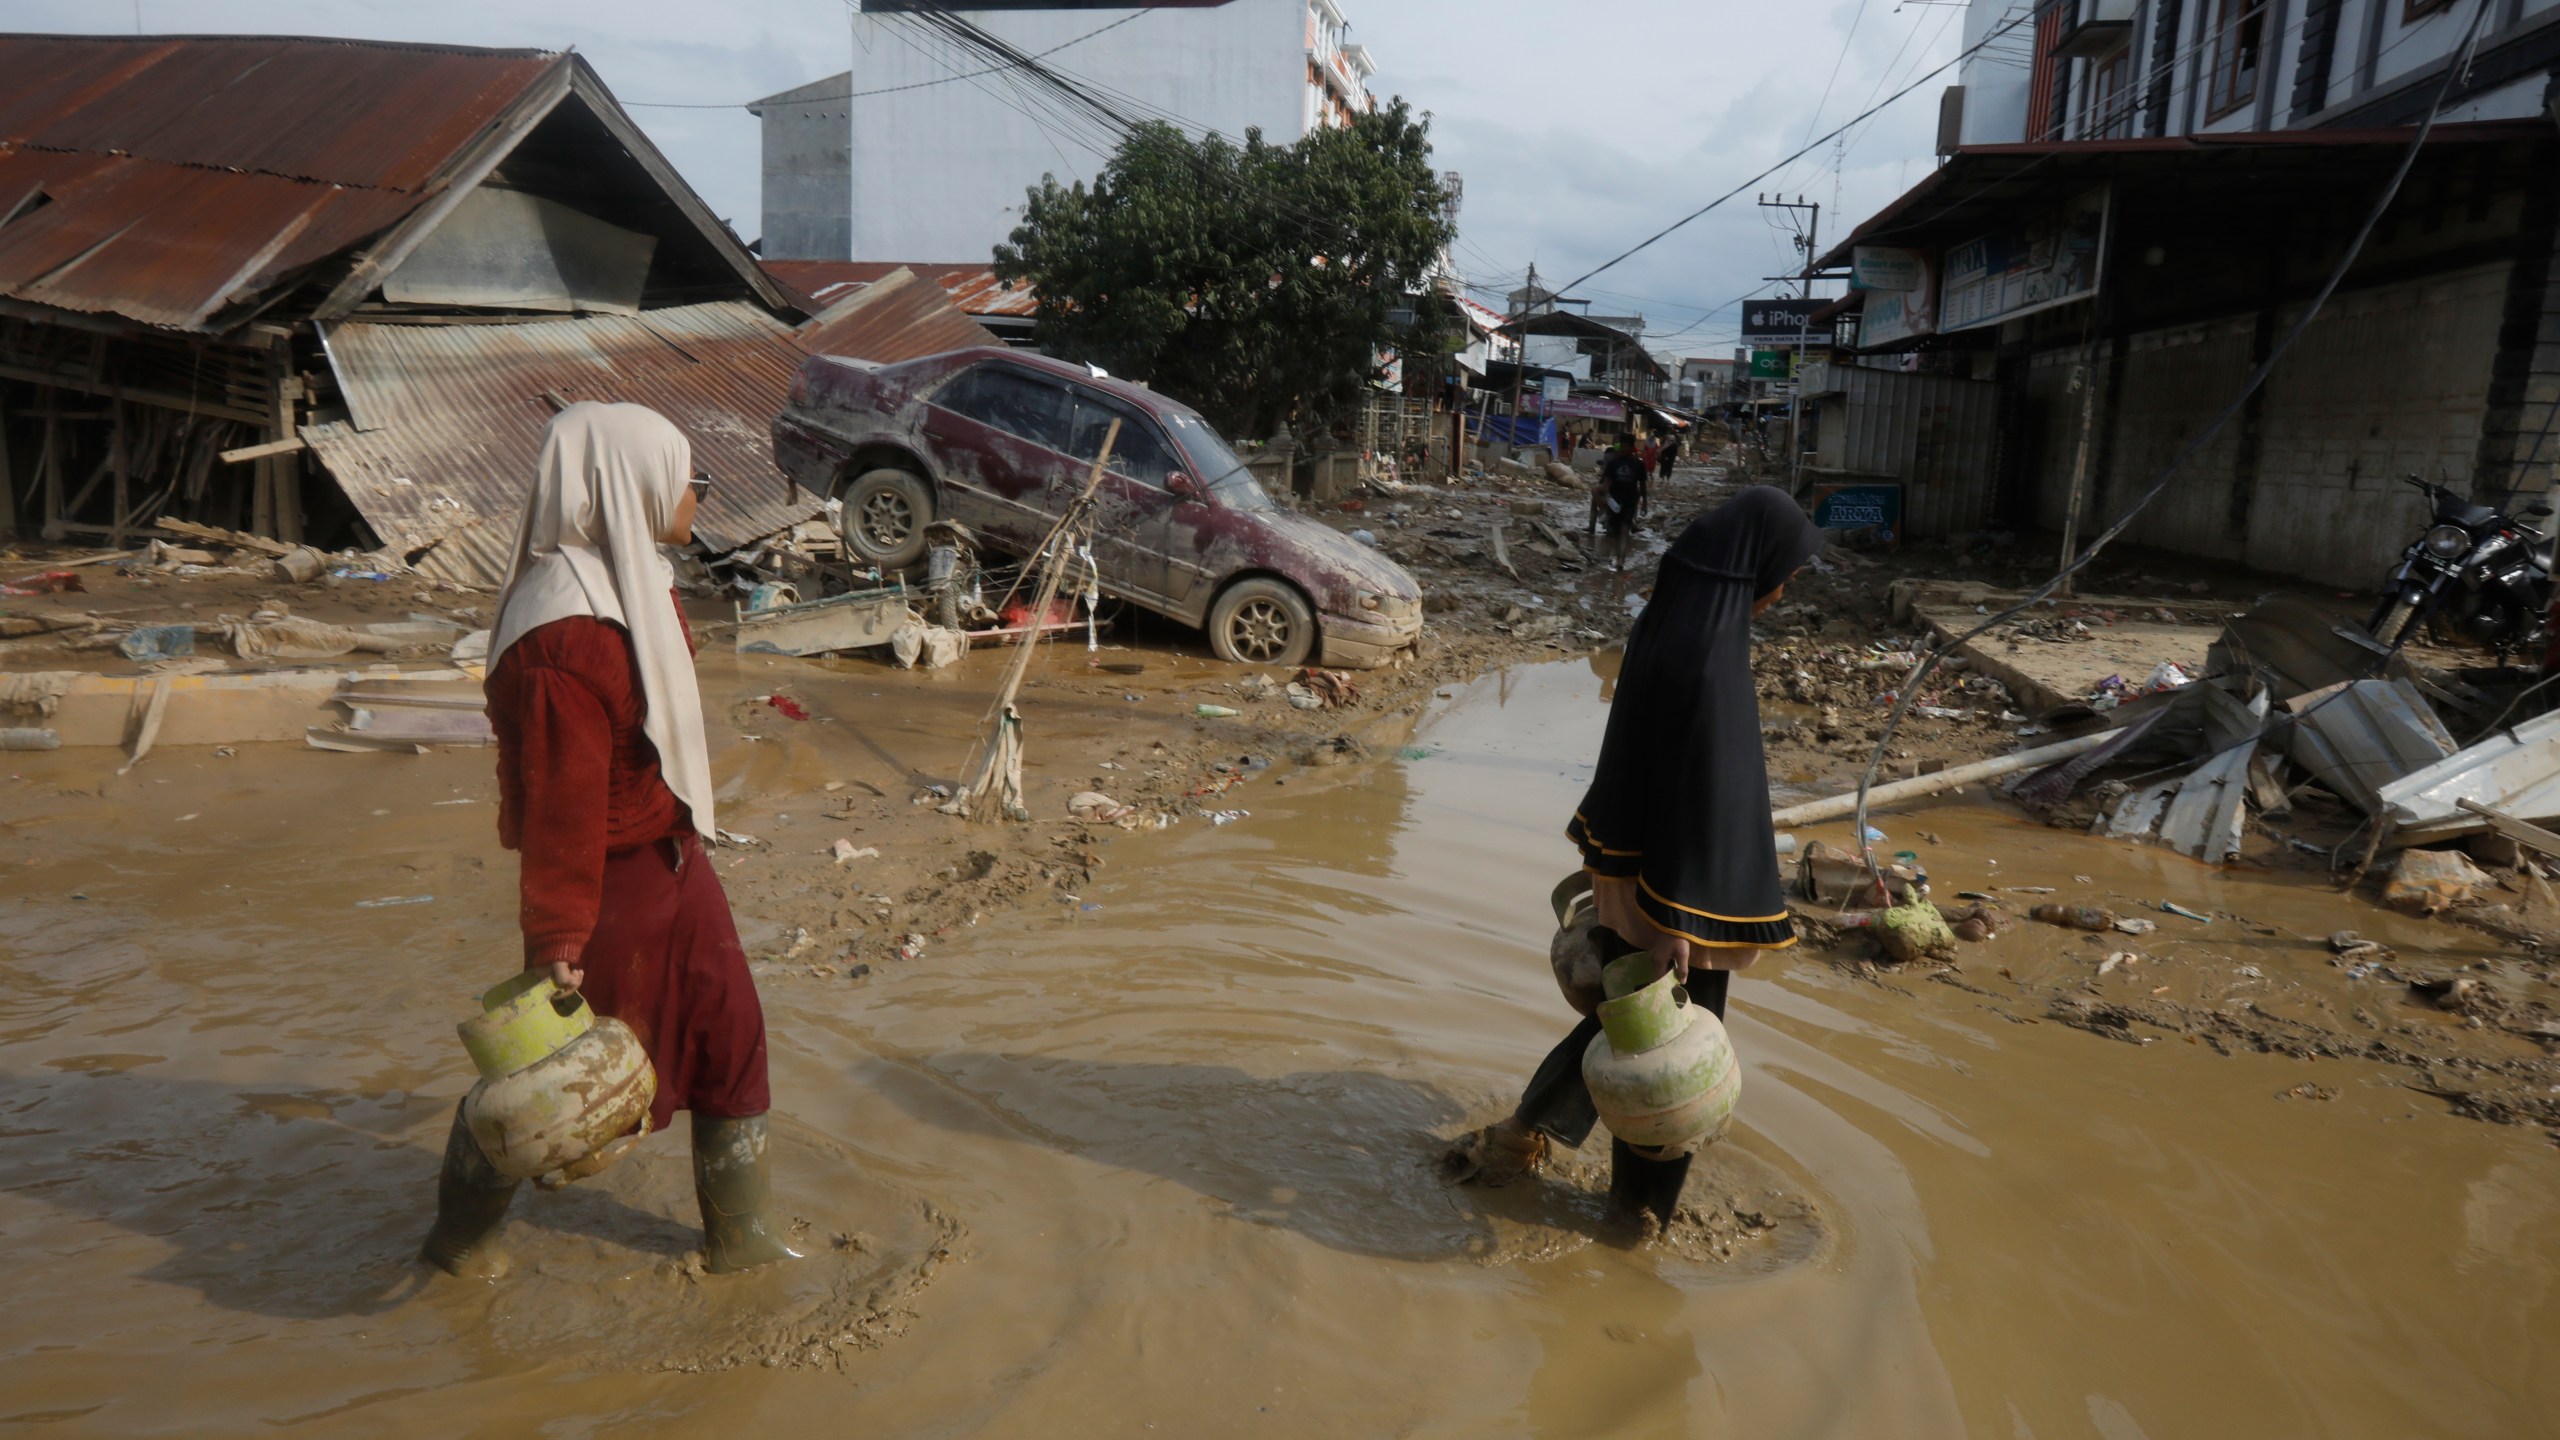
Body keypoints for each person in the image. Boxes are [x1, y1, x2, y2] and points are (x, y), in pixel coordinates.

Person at [420, 403, 798, 1278]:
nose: (696, 494)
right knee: (564, 1093)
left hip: (674, 860)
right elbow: (562, 805)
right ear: (628, 486)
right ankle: (457, 1246)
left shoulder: (632, 580)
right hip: (607, 884)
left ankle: (743, 1240)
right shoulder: (565, 631)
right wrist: (558, 937)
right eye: (686, 478)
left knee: (730, 1035)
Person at [1448, 487, 1824, 1230]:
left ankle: (1520, 1138)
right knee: (1672, 1053)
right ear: (1752, 568)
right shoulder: (1708, 657)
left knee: (1628, 1026)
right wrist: (1677, 926)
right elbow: (1696, 791)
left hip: (1645, 874)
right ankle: (1635, 1214)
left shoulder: (1673, 625)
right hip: (1684, 903)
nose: (1784, 592)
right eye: (1786, 574)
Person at [1590, 436, 1651, 568]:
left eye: (1626, 446)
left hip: (1630, 499)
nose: (1624, 449)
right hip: (1614, 500)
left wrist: (1645, 502)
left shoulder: (1638, 464)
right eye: (1622, 446)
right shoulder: (1614, 462)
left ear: (1631, 447)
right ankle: (1618, 555)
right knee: (1614, 531)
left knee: (1625, 529)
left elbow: (1643, 484)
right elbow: (1606, 479)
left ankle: (1621, 560)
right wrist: (1606, 494)